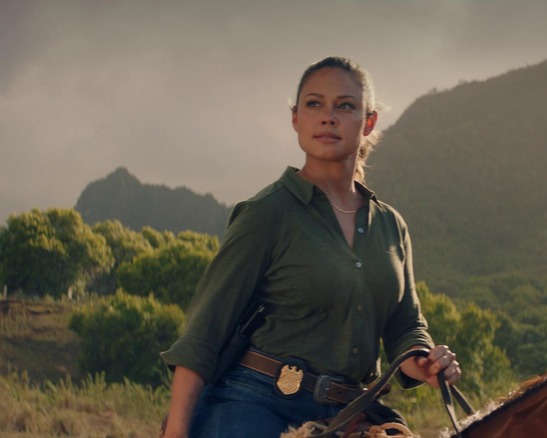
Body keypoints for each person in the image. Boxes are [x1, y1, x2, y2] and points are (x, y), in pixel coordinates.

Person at [160, 56, 461, 438]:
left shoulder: (390, 225)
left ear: (368, 122)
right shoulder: (266, 214)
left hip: (353, 409)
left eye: (345, 106)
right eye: (314, 104)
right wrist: (177, 432)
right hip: (257, 404)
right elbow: (204, 333)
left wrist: (426, 362)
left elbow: (406, 326)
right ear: (296, 119)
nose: (328, 117)